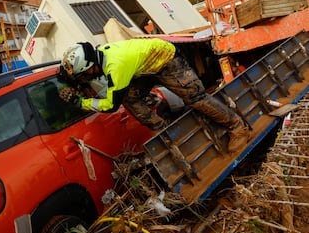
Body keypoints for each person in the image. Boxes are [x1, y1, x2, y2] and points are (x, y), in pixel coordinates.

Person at [59, 38, 251, 153]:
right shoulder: (99, 55)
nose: (83, 78)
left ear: (90, 68)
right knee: (130, 98)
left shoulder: (115, 66)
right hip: (146, 68)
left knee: (195, 98)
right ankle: (163, 129)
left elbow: (111, 105)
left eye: (83, 75)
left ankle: (237, 127)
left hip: (166, 59)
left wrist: (81, 102)